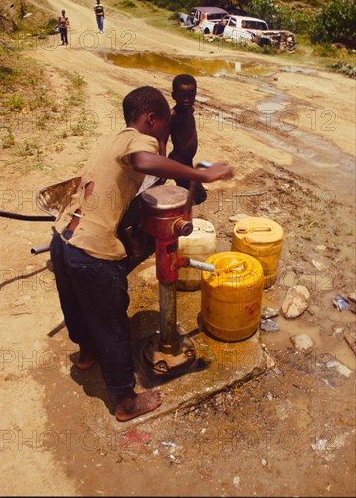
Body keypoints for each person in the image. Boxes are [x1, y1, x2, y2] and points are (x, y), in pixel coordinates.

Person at [50, 85, 233, 422]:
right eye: (162, 130)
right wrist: (200, 173)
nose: (162, 139)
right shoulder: (140, 141)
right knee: (112, 322)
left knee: (75, 304)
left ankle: (87, 354)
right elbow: (145, 159)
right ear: (151, 120)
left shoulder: (115, 137)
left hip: (62, 240)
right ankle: (125, 401)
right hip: (92, 253)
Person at [161, 74, 207, 205]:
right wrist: (163, 162)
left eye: (191, 96)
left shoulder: (190, 110)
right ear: (174, 95)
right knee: (199, 196)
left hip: (187, 162)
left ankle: (175, 207)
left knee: (189, 193)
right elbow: (162, 140)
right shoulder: (172, 115)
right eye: (182, 96)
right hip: (179, 162)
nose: (187, 100)